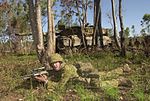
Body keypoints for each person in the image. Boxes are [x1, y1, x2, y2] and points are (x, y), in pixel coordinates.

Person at [34, 53, 132, 91]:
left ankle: (120, 81)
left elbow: (60, 87)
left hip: (85, 80)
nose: (55, 65)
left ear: (60, 62)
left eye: (56, 63)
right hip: (86, 76)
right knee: (106, 74)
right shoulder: (60, 69)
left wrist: (46, 82)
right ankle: (123, 68)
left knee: (99, 85)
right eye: (53, 63)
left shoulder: (67, 69)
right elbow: (55, 73)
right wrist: (46, 74)